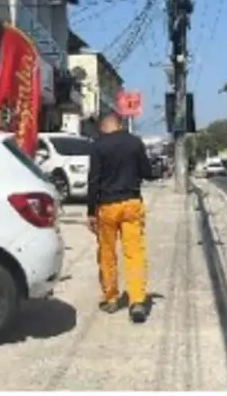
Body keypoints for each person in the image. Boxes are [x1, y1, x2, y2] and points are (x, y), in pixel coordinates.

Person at [86, 112, 153, 323]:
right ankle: (137, 301)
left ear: (102, 126)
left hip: (107, 206)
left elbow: (93, 180)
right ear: (120, 123)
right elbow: (147, 171)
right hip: (132, 203)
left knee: (107, 253)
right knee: (134, 252)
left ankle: (112, 298)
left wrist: (90, 212)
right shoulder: (135, 143)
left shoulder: (98, 146)